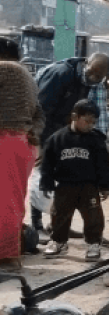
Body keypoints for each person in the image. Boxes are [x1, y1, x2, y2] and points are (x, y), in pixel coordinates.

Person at [33, 52, 109, 237]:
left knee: (65, 178)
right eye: (92, 72)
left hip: (63, 127)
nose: (93, 77)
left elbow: (91, 113)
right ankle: (36, 225)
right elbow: (41, 110)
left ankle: (59, 225)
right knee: (41, 175)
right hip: (45, 126)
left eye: (98, 76)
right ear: (86, 63)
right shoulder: (61, 74)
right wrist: (42, 143)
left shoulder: (93, 82)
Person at [40, 100, 109, 261]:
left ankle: (93, 244)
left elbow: (104, 165)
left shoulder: (96, 140)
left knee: (93, 217)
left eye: (93, 122)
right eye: (87, 121)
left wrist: (105, 185)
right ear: (74, 116)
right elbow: (47, 164)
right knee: (59, 215)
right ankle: (59, 242)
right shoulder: (57, 139)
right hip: (64, 186)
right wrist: (46, 183)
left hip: (89, 187)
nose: (90, 125)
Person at [0, 36, 43, 271]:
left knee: (5, 203)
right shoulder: (28, 76)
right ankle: (9, 253)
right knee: (12, 201)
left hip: (5, 140)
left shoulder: (5, 69)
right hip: (21, 142)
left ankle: (7, 258)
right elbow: (40, 114)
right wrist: (32, 133)